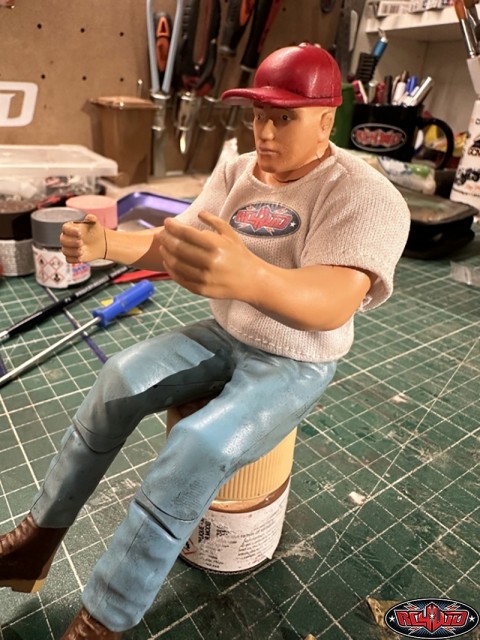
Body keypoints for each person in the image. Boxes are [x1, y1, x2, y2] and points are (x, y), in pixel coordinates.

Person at [0, 43, 410, 639]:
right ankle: (34, 542)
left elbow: (335, 301)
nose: (264, 132)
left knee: (197, 443)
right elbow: (176, 244)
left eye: (284, 118)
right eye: (258, 115)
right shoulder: (237, 171)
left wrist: (252, 277)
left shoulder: (363, 194)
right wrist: (107, 245)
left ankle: (105, 618)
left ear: (326, 120)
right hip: (226, 331)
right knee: (119, 377)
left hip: (295, 357)